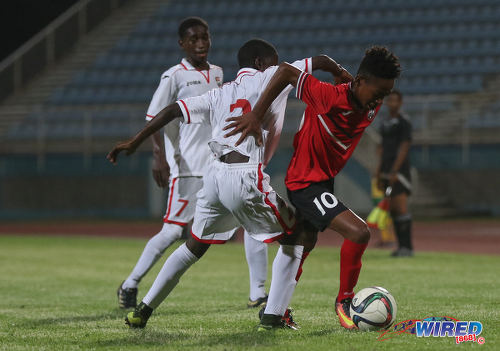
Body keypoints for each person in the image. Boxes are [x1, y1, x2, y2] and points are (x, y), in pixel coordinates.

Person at [108, 39, 352, 330]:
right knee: (301, 233)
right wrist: (340, 73)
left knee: (193, 247)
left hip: (214, 177)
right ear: (261, 63)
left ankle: (143, 311)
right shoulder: (271, 76)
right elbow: (320, 59)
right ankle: (273, 315)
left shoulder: (219, 93)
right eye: (272, 62)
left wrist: (135, 141)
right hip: (245, 176)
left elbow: (173, 109)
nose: (276, 66)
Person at [224, 46, 401, 329]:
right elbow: (284, 71)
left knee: (303, 244)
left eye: (386, 94)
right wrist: (256, 115)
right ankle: (344, 301)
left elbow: (344, 79)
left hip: (322, 181)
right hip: (305, 181)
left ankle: (273, 313)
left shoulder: (366, 98)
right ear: (360, 81)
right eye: (378, 91)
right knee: (358, 232)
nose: (379, 100)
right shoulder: (328, 97)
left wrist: (335, 69)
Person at [116, 17, 269, 311]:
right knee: (173, 232)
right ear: (182, 44)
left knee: (252, 222)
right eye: (194, 39)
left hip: (217, 164)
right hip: (185, 166)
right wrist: (159, 156)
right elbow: (154, 117)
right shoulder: (173, 76)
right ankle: (130, 283)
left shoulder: (219, 73)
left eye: (205, 37)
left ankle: (257, 293)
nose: (201, 43)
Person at [375, 90, 413, 257]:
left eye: (395, 100)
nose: (392, 103)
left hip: (399, 171)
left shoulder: (404, 122)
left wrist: (394, 170)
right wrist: (379, 171)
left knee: (400, 206)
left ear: (400, 102)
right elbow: (382, 148)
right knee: (393, 210)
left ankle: (407, 247)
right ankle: (401, 247)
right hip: (385, 169)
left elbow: (404, 146)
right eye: (389, 100)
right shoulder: (384, 123)